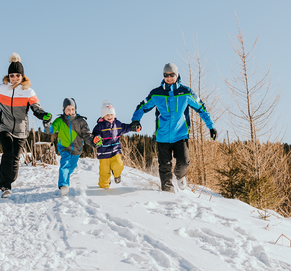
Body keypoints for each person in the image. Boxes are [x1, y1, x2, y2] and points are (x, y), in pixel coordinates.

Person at [0, 53, 51, 198]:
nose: (14, 78)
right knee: (8, 152)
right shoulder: (2, 89)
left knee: (15, 158)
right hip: (4, 127)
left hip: (20, 130)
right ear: (8, 76)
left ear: (22, 76)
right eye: (12, 75)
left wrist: (44, 115)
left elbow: (36, 108)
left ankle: (11, 179)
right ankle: (5, 186)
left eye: (17, 75)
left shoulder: (28, 92)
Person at [129, 62, 217, 192]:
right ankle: (168, 193)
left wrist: (211, 126)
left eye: (172, 75)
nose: (169, 78)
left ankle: (180, 176)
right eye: (166, 75)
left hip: (180, 134)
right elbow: (142, 106)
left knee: (184, 162)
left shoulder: (186, 93)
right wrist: (135, 120)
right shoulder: (156, 93)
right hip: (163, 136)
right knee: (164, 166)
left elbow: (201, 107)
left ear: (177, 75)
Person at [49, 98, 92, 196]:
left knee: (71, 166)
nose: (70, 112)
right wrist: (47, 124)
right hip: (64, 147)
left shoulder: (81, 121)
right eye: (68, 109)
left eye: (72, 109)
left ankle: (66, 177)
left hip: (77, 149)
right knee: (65, 164)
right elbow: (50, 130)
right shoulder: (60, 120)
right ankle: (64, 185)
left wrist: (93, 142)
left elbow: (87, 134)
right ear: (63, 109)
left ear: (75, 109)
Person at [92, 101, 131, 189]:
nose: (110, 117)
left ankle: (117, 175)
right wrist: (97, 138)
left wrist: (133, 127)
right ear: (103, 116)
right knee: (104, 172)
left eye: (111, 115)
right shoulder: (99, 126)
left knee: (118, 164)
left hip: (115, 151)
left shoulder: (118, 124)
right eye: (107, 115)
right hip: (103, 153)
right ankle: (104, 187)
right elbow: (96, 134)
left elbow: (125, 127)